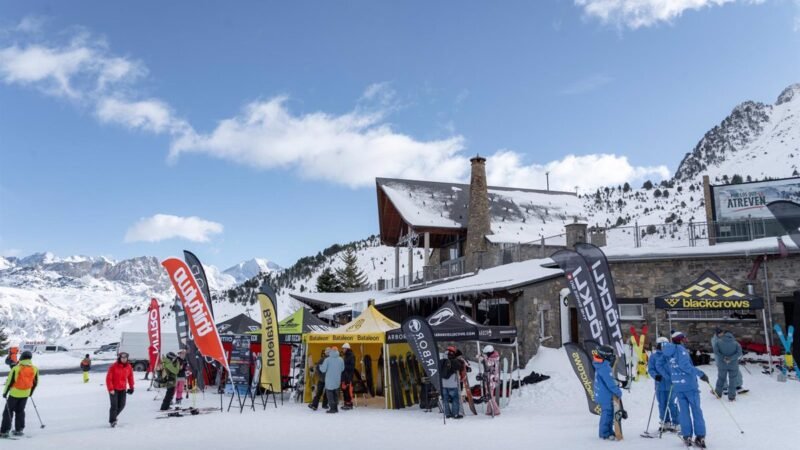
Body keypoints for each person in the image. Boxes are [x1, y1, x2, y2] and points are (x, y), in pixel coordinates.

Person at [662, 331, 709, 448]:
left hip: (678, 385)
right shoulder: (680, 350)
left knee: (684, 412)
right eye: (684, 339)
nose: (686, 341)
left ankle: (687, 435)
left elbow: (664, 366)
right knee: (696, 410)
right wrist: (700, 373)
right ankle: (700, 436)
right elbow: (685, 366)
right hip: (689, 385)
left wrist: (672, 377)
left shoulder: (667, 351)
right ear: (680, 340)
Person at [1, 351, 38, 438]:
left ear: (21, 357)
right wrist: (30, 393)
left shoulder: (16, 368)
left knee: (8, 412)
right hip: (25, 394)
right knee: (20, 411)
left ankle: (4, 431)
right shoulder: (35, 368)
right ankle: (19, 430)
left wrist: (5, 393)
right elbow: (35, 382)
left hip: (14, 393)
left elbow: (9, 382)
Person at [648, 337, 679, 431]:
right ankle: (665, 422)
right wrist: (655, 375)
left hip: (671, 384)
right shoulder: (653, 356)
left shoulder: (672, 355)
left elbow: (676, 367)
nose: (663, 347)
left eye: (665, 345)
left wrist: (675, 376)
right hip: (660, 385)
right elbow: (651, 369)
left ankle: (677, 422)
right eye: (661, 345)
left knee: (671, 404)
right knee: (662, 404)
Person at [592, 345, 622, 441]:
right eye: (611, 356)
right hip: (605, 395)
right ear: (606, 356)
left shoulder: (601, 365)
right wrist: (617, 391)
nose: (613, 358)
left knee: (609, 413)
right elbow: (609, 383)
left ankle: (608, 431)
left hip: (603, 394)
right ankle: (604, 433)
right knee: (607, 414)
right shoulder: (604, 367)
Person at [105, 351, 134, 428]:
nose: (124, 359)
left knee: (122, 405)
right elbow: (108, 379)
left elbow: (130, 377)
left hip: (122, 389)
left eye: (125, 358)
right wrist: (110, 389)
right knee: (114, 405)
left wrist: (131, 387)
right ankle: (113, 421)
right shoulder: (113, 367)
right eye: (122, 358)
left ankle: (113, 417)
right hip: (114, 389)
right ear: (119, 358)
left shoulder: (129, 366)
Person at [713, 330, 743, 401]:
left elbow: (716, 351)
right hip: (733, 365)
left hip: (722, 364)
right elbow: (739, 353)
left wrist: (723, 357)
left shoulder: (718, 342)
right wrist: (731, 358)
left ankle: (718, 393)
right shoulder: (736, 343)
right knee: (733, 380)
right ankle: (731, 397)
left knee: (721, 379)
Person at [440, 346, 465, 419]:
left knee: (445, 400)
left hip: (443, 384)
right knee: (455, 399)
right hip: (452, 384)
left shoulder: (441, 360)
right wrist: (460, 360)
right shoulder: (454, 361)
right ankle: (455, 414)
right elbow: (460, 367)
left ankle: (447, 414)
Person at [318, 346, 344, 414]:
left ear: (331, 351)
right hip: (337, 380)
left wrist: (320, 366)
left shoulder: (327, 360)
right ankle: (336, 408)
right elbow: (342, 369)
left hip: (329, 380)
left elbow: (323, 370)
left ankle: (332, 408)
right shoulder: (341, 359)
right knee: (336, 395)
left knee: (330, 395)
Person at [479, 344, 501, 416]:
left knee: (490, 396)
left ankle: (496, 411)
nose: (486, 355)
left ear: (489, 353)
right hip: (490, 380)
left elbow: (488, 363)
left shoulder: (493, 360)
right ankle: (489, 410)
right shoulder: (493, 358)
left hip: (491, 380)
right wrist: (482, 356)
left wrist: (482, 358)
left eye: (486, 353)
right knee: (489, 395)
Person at [340, 343, 356, 410]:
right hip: (345, 375)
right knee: (344, 390)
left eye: (343, 348)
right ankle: (346, 403)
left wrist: (343, 366)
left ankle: (349, 404)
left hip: (348, 376)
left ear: (347, 349)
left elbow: (352, 367)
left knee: (347, 391)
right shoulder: (346, 355)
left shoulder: (351, 356)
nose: (342, 350)